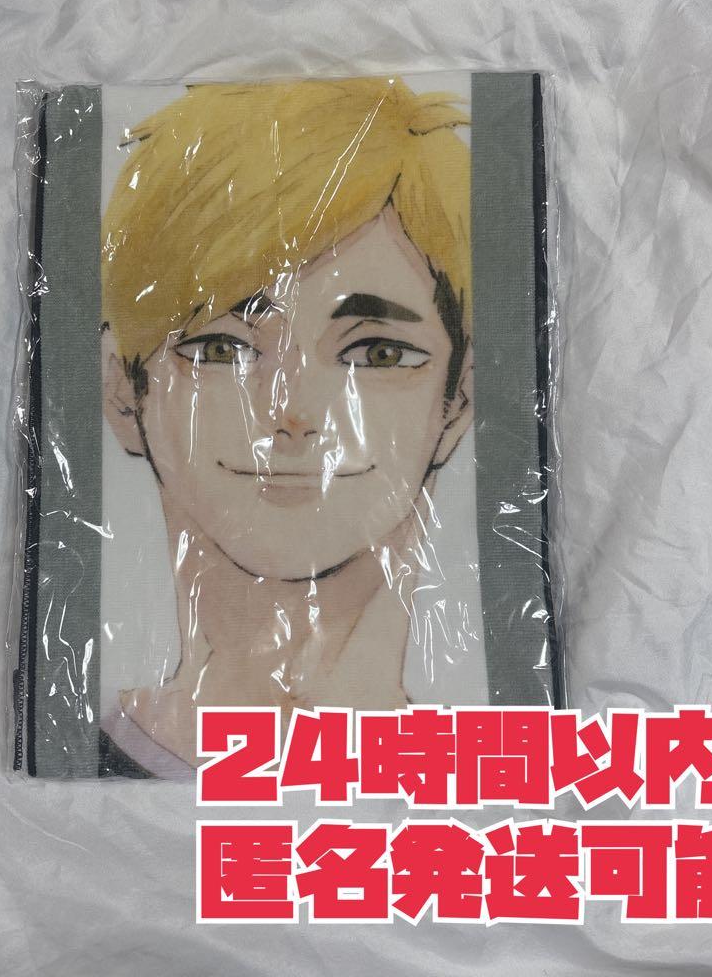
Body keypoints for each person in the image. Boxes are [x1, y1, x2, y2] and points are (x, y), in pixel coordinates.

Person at [99, 77, 473, 774]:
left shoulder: (507, 782)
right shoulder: (61, 765)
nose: (294, 412)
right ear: (123, 390)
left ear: (461, 397)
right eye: (221, 348)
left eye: (377, 353)